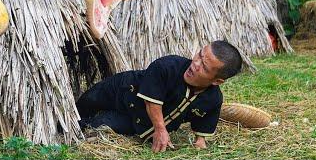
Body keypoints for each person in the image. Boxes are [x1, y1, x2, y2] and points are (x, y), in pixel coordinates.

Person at [76, 40, 243, 152]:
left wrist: (200, 142)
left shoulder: (213, 98)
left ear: (217, 81)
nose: (195, 64)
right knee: (85, 103)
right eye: (199, 55)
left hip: (138, 120)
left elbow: (206, 119)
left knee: (96, 125)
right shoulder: (168, 66)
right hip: (122, 90)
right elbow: (151, 101)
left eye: (205, 67)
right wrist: (160, 129)